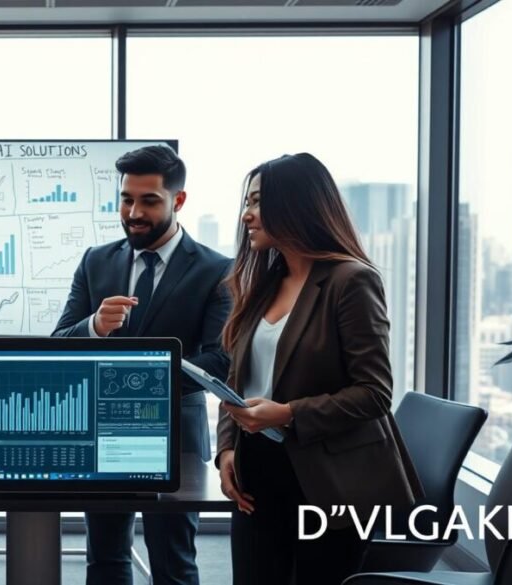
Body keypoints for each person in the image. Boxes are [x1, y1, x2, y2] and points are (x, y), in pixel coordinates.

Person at [216, 153, 423, 585]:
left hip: (326, 483)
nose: (246, 216)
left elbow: (375, 393)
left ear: (294, 205)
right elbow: (238, 380)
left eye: (256, 203)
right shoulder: (263, 282)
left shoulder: (351, 281)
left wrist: (288, 413)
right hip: (258, 469)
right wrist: (228, 450)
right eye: (247, 203)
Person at [53, 145, 232, 585]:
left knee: (174, 563)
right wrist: (94, 327)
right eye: (126, 199)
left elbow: (219, 360)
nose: (134, 212)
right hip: (102, 437)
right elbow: (59, 344)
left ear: (178, 201)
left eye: (149, 201)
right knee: (106, 561)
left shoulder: (217, 269)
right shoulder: (96, 261)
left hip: (175, 438)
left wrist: (130, 382)